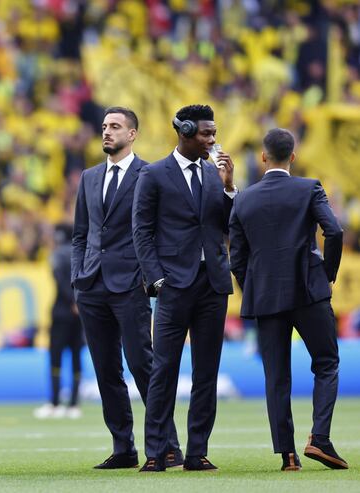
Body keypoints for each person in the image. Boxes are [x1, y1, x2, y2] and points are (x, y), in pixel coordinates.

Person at [229, 128, 347, 472]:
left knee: (276, 375)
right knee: (326, 363)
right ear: (292, 157)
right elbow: (335, 231)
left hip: (266, 295)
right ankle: (320, 439)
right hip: (309, 290)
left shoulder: (244, 199)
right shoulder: (308, 188)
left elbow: (236, 255)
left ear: (263, 158)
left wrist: (252, 284)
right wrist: (327, 272)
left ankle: (288, 455)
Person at [72, 107, 182, 470]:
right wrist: (78, 275)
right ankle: (124, 447)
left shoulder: (148, 174)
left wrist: (146, 275)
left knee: (142, 364)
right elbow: (81, 234)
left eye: (115, 127)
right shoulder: (89, 177)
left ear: (132, 134)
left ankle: (168, 445)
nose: (107, 132)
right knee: (106, 370)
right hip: (91, 285)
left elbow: (157, 230)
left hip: (130, 284)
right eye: (104, 126)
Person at [132, 104, 237, 472]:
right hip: (173, 285)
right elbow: (141, 231)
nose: (213, 140)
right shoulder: (154, 174)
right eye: (206, 134)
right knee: (164, 371)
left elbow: (227, 225)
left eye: (214, 133)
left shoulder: (213, 175)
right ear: (185, 131)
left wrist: (228, 189)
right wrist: (156, 278)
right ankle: (156, 453)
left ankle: (197, 452)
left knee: (206, 372)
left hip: (212, 285)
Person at [34, 223, 84, 420]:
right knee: (76, 356)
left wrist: (71, 301)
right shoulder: (82, 253)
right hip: (80, 312)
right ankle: (74, 404)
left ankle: (54, 403)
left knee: (56, 356)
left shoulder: (57, 255)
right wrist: (79, 301)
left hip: (61, 312)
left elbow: (60, 280)